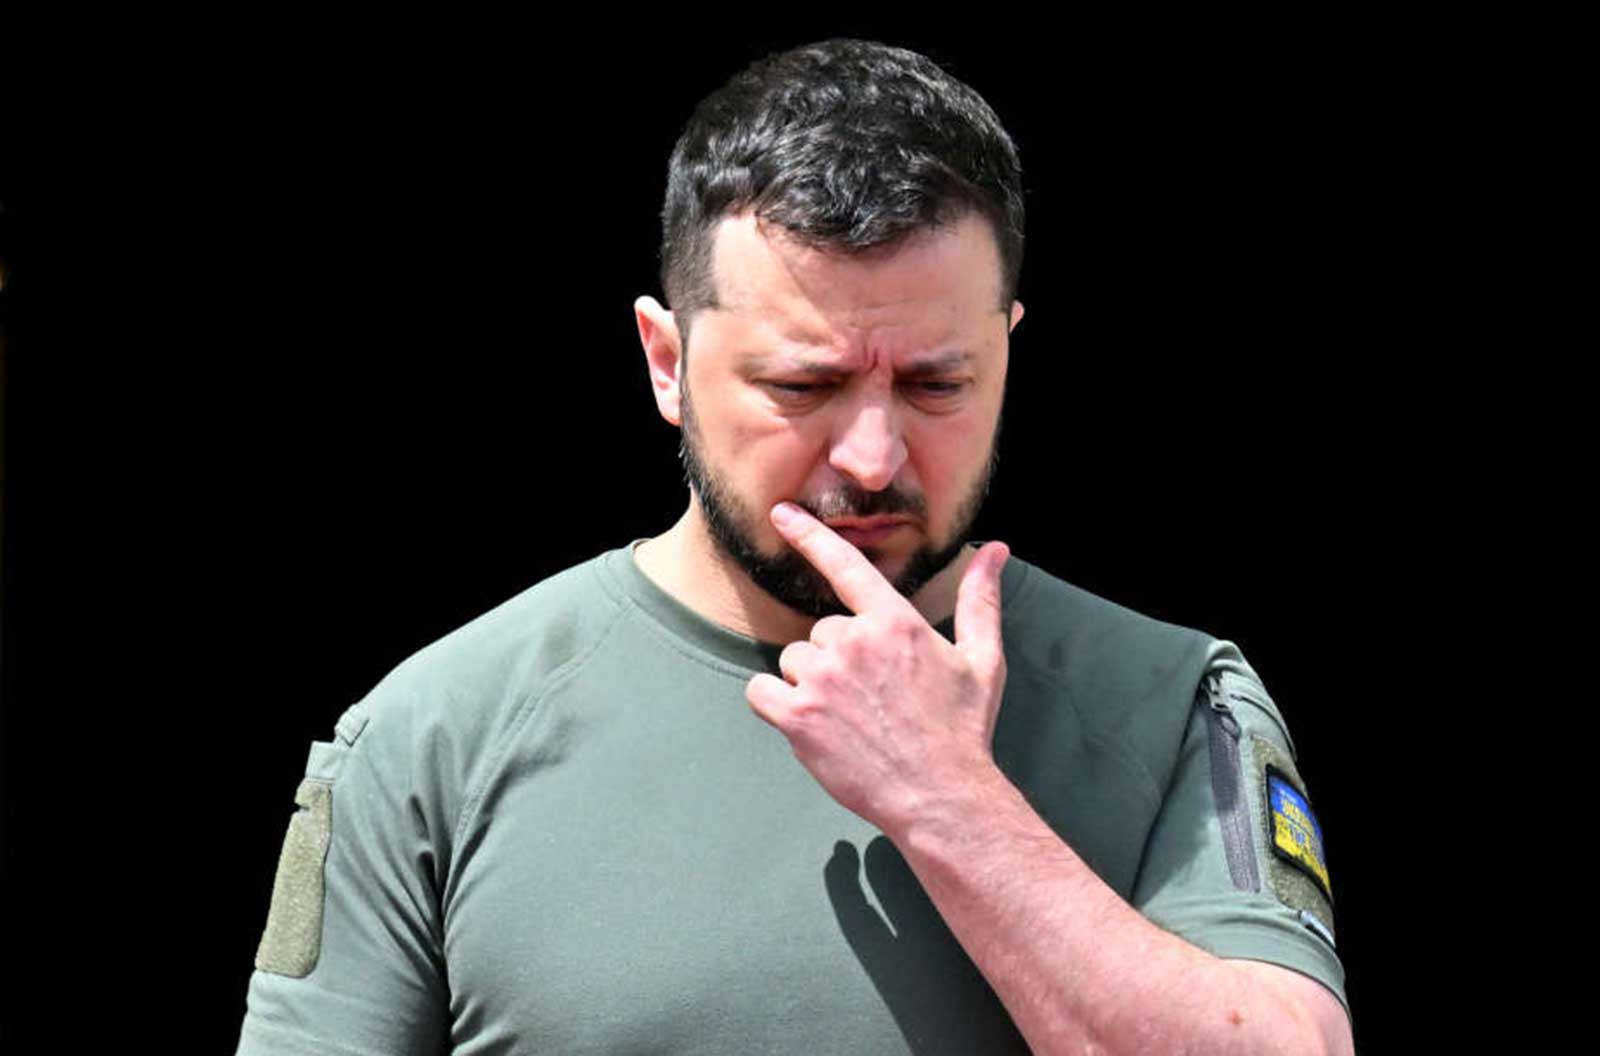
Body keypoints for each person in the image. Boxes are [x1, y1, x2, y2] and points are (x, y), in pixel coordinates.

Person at [236, 39, 1353, 1055]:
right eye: (802, 386)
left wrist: (951, 800)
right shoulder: (433, 736)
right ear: (667, 363)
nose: (871, 457)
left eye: (936, 384)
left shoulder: (1172, 706)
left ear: (1007, 356)